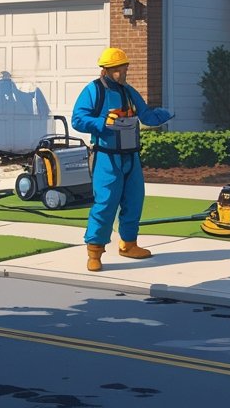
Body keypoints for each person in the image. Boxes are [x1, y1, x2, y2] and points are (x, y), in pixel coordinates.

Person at [71, 47, 173, 272]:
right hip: (106, 158)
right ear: (105, 70)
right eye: (115, 69)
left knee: (134, 201)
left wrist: (165, 115)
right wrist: (102, 122)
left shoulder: (128, 91)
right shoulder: (93, 91)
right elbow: (78, 119)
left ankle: (129, 244)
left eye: (122, 68)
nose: (120, 73)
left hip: (131, 156)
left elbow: (145, 114)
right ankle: (95, 252)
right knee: (105, 203)